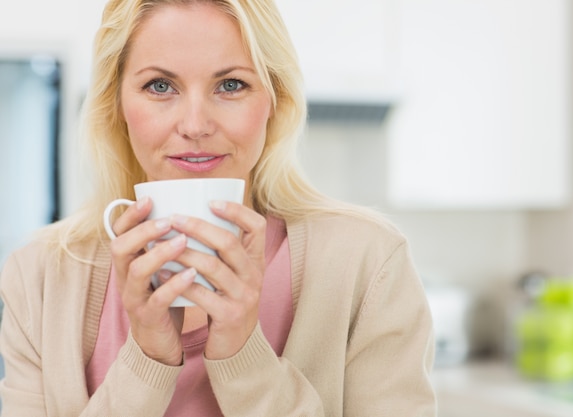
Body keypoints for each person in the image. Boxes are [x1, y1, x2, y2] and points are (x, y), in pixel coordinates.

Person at [0, 0, 437, 415]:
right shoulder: (39, 279)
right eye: (160, 86)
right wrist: (147, 361)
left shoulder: (368, 264)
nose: (195, 125)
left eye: (231, 85)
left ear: (274, 100)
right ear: (117, 104)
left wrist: (244, 357)